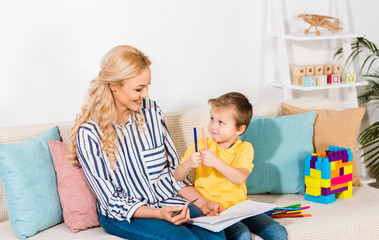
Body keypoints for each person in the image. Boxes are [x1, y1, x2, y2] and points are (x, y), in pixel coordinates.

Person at [68, 45, 226, 240]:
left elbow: (173, 174)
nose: (146, 94)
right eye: (139, 88)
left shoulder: (151, 111)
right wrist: (159, 213)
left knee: (217, 236)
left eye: (147, 85)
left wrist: (202, 203)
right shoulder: (90, 133)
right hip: (125, 215)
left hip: (168, 200)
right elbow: (111, 200)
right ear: (113, 85)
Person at [174, 92, 288, 240]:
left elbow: (239, 177)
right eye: (212, 119)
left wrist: (216, 162)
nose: (213, 126)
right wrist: (189, 163)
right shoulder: (200, 144)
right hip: (213, 209)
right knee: (242, 234)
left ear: (239, 129)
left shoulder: (245, 148)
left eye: (221, 122)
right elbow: (177, 177)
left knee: (278, 233)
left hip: (241, 207)